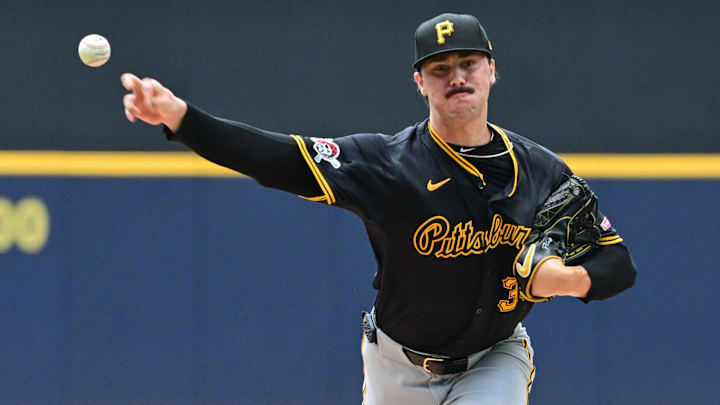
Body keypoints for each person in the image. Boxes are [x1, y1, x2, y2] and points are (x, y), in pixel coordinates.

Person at [122, 13, 637, 405]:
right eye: (439, 69)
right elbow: (278, 158)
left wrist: (566, 279)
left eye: (467, 63)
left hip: (494, 356)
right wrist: (183, 119)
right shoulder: (387, 164)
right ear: (420, 82)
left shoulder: (543, 172)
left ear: (491, 71)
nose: (455, 76)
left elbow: (617, 263)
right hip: (397, 367)